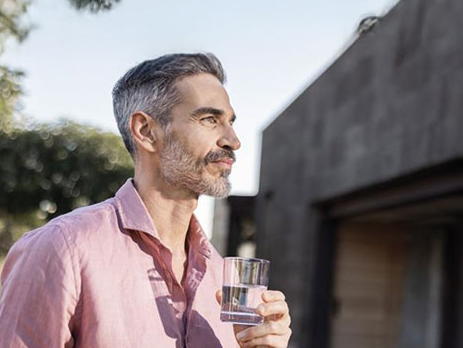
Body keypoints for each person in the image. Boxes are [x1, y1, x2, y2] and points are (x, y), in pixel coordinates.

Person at [0, 53, 292, 348]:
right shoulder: (61, 248)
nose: (233, 140)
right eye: (209, 119)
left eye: (230, 122)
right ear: (146, 131)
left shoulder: (221, 279)